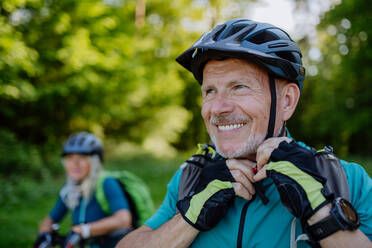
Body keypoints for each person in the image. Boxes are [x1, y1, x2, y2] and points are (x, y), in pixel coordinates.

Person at [116, 19, 372, 248]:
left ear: (286, 102)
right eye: (210, 91)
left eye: (239, 87)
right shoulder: (191, 178)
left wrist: (322, 210)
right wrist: (188, 218)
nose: (217, 108)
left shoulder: (345, 180)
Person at [35, 132, 133, 248]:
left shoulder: (107, 182)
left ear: (96, 161)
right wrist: (45, 233)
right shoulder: (70, 189)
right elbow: (49, 220)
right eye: (70, 158)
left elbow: (123, 220)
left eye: (82, 158)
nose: (75, 164)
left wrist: (85, 230)